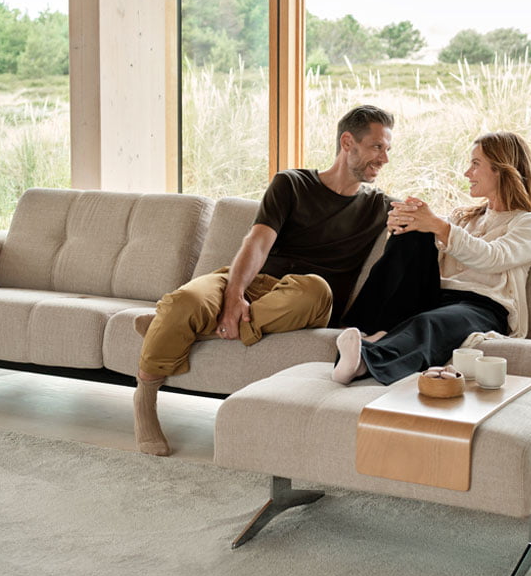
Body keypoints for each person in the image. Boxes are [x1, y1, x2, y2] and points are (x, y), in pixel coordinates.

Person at [133, 104, 395, 455]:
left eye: (387, 149)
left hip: (305, 299)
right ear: (348, 142)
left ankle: (175, 327)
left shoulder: (379, 207)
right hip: (254, 282)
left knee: (315, 287)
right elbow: (257, 242)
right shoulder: (292, 184)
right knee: (185, 301)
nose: (384, 158)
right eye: (377, 147)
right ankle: (145, 397)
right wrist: (234, 296)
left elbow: (426, 229)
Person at [332, 131, 531, 386]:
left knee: (431, 322)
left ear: (500, 170)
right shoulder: (464, 218)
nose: (467, 173)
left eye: (475, 164)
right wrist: (403, 223)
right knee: (414, 233)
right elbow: (423, 251)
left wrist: (437, 226)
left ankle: (364, 360)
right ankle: (362, 329)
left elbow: (493, 257)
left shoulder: (529, 223)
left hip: (482, 307)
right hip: (438, 297)